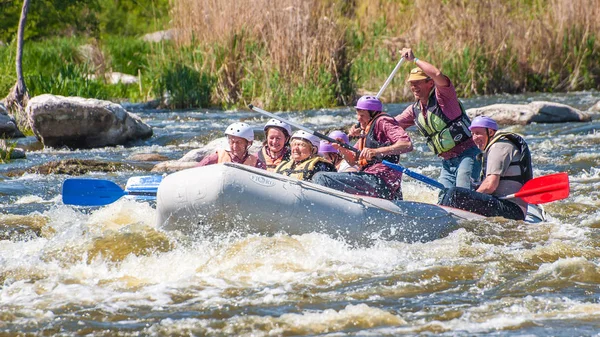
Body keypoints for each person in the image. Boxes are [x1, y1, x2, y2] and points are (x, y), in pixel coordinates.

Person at [394, 48, 480, 198]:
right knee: (444, 199)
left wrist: (415, 60)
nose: (414, 87)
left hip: (468, 155)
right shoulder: (414, 110)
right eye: (411, 84)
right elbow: (390, 124)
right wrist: (365, 125)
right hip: (447, 162)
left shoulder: (444, 97)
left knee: (463, 196)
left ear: (430, 83)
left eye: (417, 83)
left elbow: (438, 74)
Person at [312, 96, 413, 200]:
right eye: (358, 114)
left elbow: (406, 144)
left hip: (380, 181)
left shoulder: (383, 121)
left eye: (362, 115)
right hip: (371, 179)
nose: (358, 119)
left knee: (322, 178)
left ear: (373, 113)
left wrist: (376, 151)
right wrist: (341, 148)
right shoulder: (365, 130)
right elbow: (353, 161)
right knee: (319, 176)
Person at [439, 116, 533, 220]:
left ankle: (441, 218)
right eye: (473, 134)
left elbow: (490, 186)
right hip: (503, 204)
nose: (475, 138)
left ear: (491, 132)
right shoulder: (494, 146)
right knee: (449, 192)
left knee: (454, 194)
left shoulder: (499, 147)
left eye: (478, 133)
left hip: (512, 210)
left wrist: (471, 198)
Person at [197, 122, 265, 169]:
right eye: (232, 142)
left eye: (239, 142)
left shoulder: (256, 162)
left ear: (248, 143)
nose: (235, 146)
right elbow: (196, 171)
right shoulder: (217, 157)